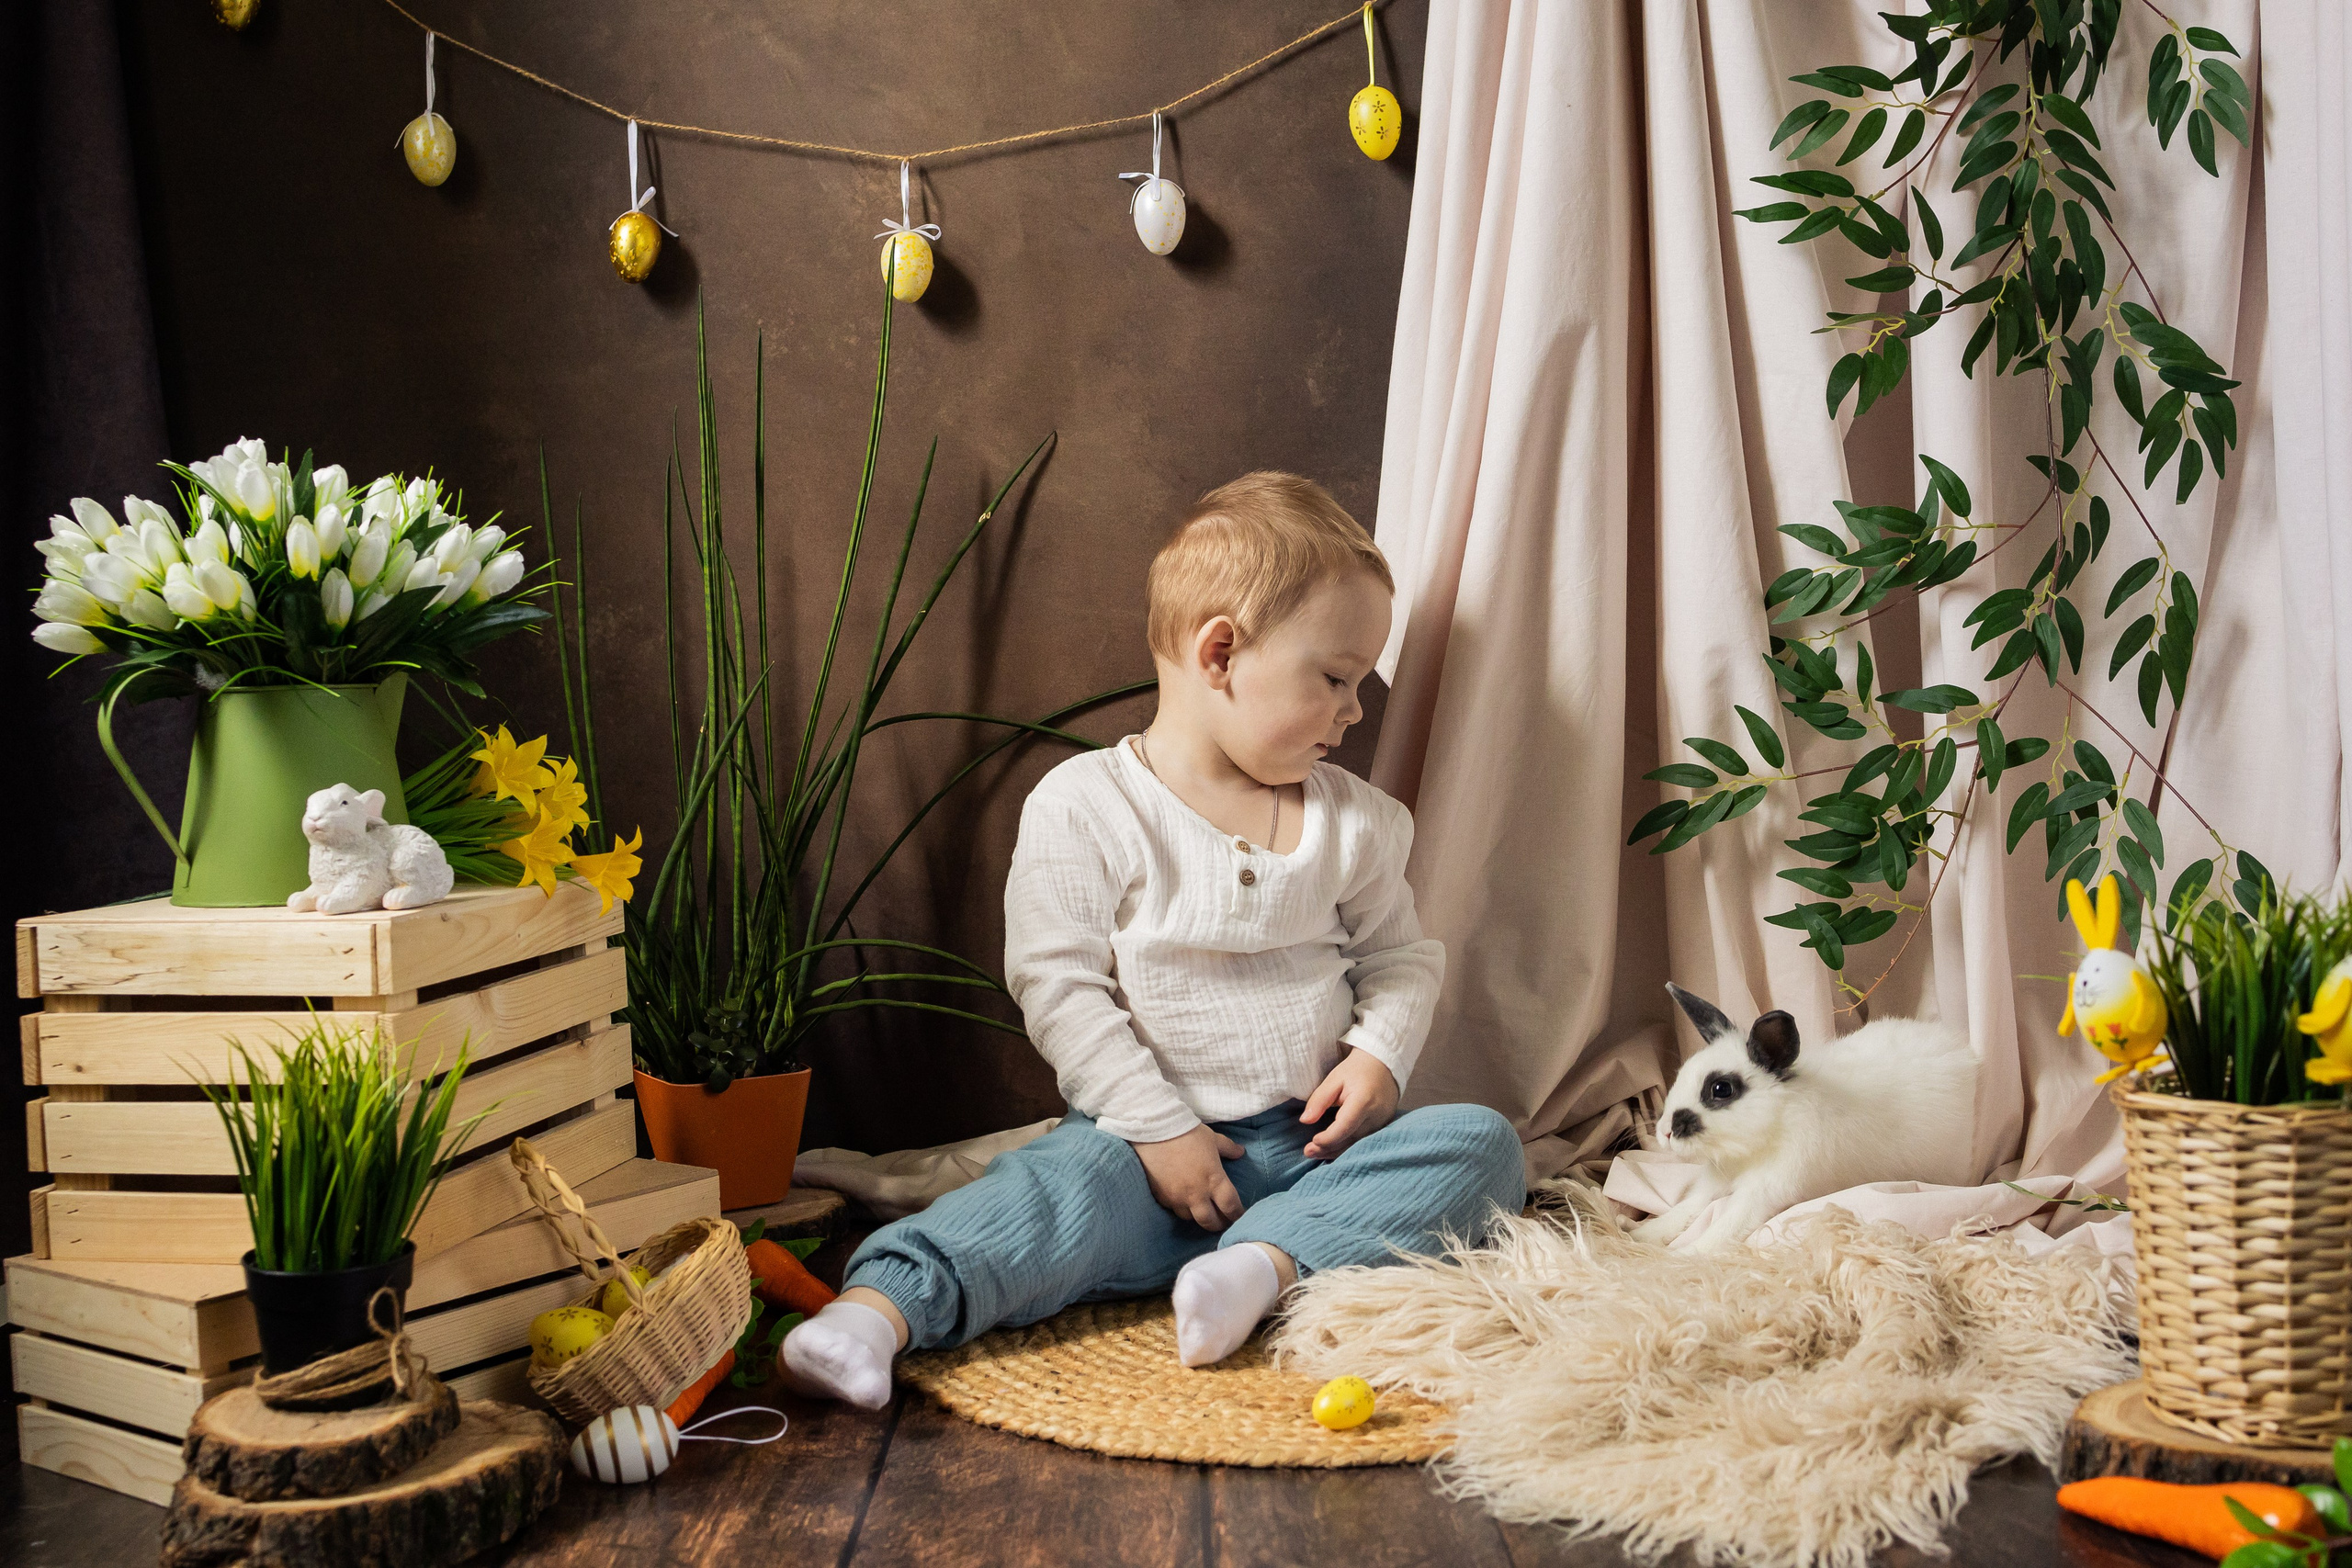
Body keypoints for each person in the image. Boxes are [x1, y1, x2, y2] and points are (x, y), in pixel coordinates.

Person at [779, 471, 1526, 1408]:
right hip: (1139, 1153)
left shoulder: (1357, 823)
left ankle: (1261, 1266)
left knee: (1482, 1145)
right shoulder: (1090, 804)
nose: (1354, 709)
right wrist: (1160, 1130)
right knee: (1041, 1198)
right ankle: (874, 1315)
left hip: (1313, 1154)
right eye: (1334, 678)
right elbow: (1057, 986)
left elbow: (1401, 960)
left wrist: (1378, 1053)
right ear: (1220, 653)